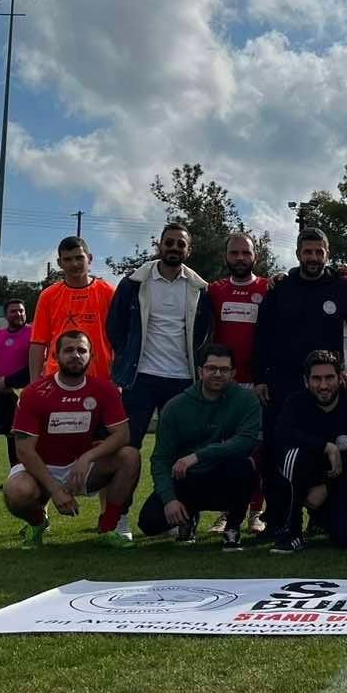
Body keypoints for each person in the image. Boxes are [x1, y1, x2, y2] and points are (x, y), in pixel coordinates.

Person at [2, 329, 142, 549]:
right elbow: (24, 450)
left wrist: (87, 457)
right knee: (17, 491)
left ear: (91, 356)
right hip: (41, 469)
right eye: (68, 350)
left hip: (81, 469)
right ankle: (37, 523)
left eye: (81, 350)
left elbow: (122, 434)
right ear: (55, 356)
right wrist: (56, 490)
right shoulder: (34, 393)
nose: (76, 355)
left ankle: (108, 527)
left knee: (130, 457)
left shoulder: (105, 390)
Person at [137, 343, 261, 550]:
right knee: (150, 522)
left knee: (244, 465)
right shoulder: (176, 406)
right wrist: (169, 500)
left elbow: (245, 441)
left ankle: (232, 527)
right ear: (200, 371)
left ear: (233, 373)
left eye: (224, 369)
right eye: (212, 368)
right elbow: (161, 458)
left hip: (224, 476)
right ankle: (188, 517)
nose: (218, 374)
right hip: (187, 479)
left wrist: (197, 456)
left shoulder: (246, 400)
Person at [107, 222, 214, 449]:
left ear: (188, 250)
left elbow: (203, 332)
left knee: (177, 449)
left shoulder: (199, 288)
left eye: (180, 244)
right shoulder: (133, 283)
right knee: (127, 448)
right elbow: (115, 326)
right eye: (169, 243)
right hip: (140, 378)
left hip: (182, 378)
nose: (174, 247)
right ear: (160, 245)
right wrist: (127, 355)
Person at [267, 350, 347, 554]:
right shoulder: (295, 403)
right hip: (304, 480)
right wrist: (326, 447)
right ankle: (292, 531)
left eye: (329, 378)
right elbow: (282, 435)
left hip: (344, 483)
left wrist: (327, 487)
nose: (323, 385)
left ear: (340, 378)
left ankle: (328, 519)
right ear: (306, 380)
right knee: (292, 456)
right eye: (316, 379)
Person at [207, 232, 271, 536]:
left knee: (258, 449)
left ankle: (256, 512)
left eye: (246, 253)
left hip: (257, 385)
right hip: (224, 385)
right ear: (226, 256)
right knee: (226, 450)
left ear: (255, 256)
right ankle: (226, 511)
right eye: (234, 253)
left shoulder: (268, 288)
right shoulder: (214, 290)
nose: (240, 258)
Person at [256, 226, 347, 407]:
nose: (313, 257)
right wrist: (260, 378)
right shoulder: (280, 288)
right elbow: (262, 335)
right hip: (284, 381)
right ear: (298, 254)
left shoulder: (342, 288)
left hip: (326, 383)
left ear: (327, 254)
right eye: (308, 252)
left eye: (319, 252)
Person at [29, 236, 116, 382]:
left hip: (100, 378)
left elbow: (120, 342)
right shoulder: (48, 295)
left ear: (90, 258)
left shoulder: (109, 292)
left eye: (79, 258)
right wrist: (34, 384)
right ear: (60, 263)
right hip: (57, 379)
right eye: (67, 259)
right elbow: (38, 343)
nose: (74, 264)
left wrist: (117, 378)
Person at [0, 298, 32, 470]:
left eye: (21, 310)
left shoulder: (34, 333)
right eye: (13, 311)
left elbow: (35, 365)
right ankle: (16, 473)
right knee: (9, 435)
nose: (18, 314)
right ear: (5, 315)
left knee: (25, 434)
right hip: (4, 393)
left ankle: (31, 473)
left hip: (26, 393)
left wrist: (9, 381)